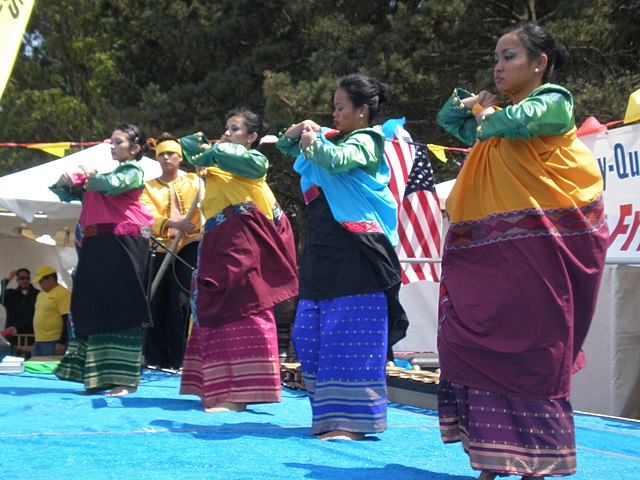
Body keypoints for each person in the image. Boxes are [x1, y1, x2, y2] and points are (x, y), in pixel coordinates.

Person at [435, 22, 609, 480]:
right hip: (490, 251)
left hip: (543, 247)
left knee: (530, 349)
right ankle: (493, 459)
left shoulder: (553, 101)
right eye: (496, 56)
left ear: (539, 63)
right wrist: (471, 105)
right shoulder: (495, 117)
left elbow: (516, 123)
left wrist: (486, 113)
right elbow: (448, 120)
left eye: (509, 56)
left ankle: (536, 463)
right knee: (466, 340)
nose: (498, 65)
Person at [276, 73, 404, 441]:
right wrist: (300, 128)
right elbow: (288, 147)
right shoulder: (328, 139)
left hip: (357, 248)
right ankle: (330, 416)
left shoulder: (368, 139)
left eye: (340, 107)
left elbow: (338, 161)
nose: (333, 114)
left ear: (362, 111)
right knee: (309, 332)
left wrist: (314, 140)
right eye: (332, 107)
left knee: (350, 333)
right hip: (322, 246)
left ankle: (352, 423)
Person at [178, 108, 298, 412]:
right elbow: (188, 145)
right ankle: (217, 388)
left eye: (235, 129)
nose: (227, 133)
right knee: (216, 305)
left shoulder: (253, 162)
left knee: (245, 305)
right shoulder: (217, 164)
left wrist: (212, 151)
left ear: (252, 137)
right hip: (220, 241)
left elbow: (247, 163)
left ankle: (240, 394)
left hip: (242, 244)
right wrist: (204, 150)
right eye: (226, 128)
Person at [50, 124, 154, 396]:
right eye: (112, 141)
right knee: (96, 305)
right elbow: (65, 192)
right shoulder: (101, 178)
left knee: (122, 306)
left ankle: (125, 380)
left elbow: (109, 185)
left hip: (124, 242)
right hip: (97, 244)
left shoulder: (132, 172)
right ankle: (97, 376)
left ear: (135, 148)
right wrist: (68, 180)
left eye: (119, 142)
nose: (113, 146)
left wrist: (88, 175)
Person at [139, 133, 202, 370]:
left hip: (187, 250)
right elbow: (145, 214)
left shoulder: (194, 182)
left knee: (181, 304)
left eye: (171, 154)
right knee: (155, 301)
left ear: (180, 157)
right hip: (159, 248)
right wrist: (172, 224)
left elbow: (205, 200)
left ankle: (181, 358)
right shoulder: (148, 187)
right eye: (162, 154)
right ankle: (155, 358)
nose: (166, 158)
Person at [31, 266, 70, 357]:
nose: (40, 284)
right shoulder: (40, 294)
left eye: (41, 281)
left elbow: (67, 319)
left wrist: (62, 341)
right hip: (39, 339)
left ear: (50, 279)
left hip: (54, 340)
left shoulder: (63, 293)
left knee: (50, 368)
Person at [0, 268, 39, 349]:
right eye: (22, 278)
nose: (24, 281)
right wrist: (7, 279)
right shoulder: (10, 294)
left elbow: (37, 315)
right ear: (17, 280)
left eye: (27, 278)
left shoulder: (37, 294)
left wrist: (18, 328)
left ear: (30, 279)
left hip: (31, 335)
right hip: (12, 336)